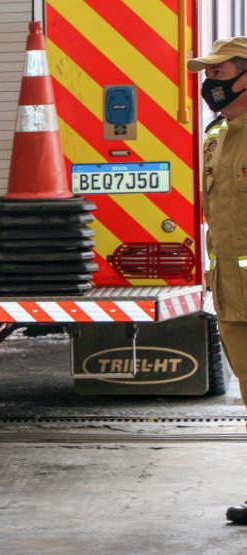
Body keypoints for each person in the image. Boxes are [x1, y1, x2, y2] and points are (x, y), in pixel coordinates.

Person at [187, 37, 247, 525]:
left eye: (220, 74)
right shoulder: (216, 137)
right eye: (208, 75)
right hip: (231, 295)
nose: (211, 84)